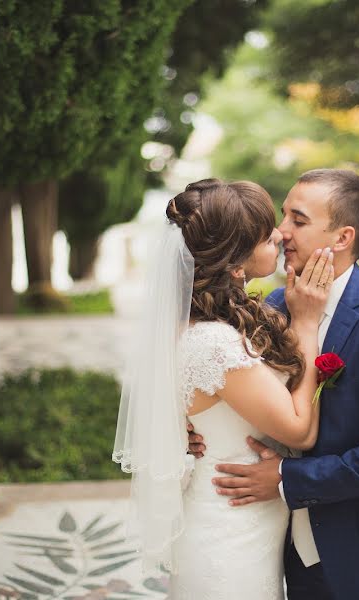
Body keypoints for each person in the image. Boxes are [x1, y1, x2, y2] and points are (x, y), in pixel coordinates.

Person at [195, 169, 359, 599]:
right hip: (289, 552)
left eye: (298, 219)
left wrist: (285, 478)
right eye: (283, 216)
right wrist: (192, 425)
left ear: (342, 237)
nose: (281, 231)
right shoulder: (271, 307)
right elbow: (222, 381)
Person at [113, 178, 334, 600]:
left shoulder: (213, 324)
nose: (280, 235)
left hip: (244, 524)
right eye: (264, 234)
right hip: (227, 539)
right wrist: (307, 323)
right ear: (234, 265)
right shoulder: (214, 343)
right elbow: (300, 431)